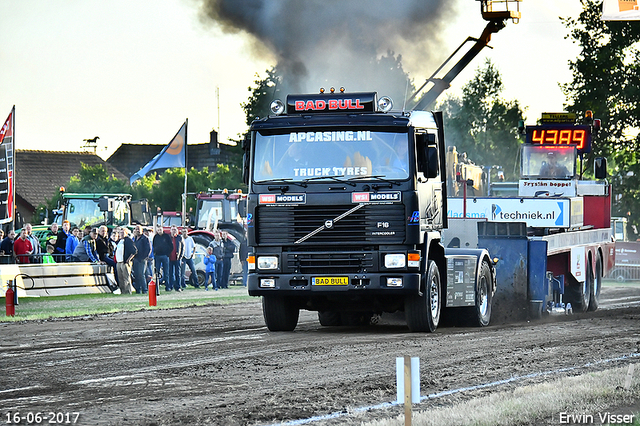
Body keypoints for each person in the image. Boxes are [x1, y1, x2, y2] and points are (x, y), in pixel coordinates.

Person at [115, 227, 137, 294]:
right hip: (119, 261)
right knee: (120, 278)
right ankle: (123, 291)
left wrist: (128, 259)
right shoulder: (119, 241)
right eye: (120, 233)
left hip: (125, 262)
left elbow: (134, 251)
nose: (121, 234)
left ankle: (128, 291)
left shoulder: (128, 240)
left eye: (123, 233)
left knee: (126, 277)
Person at [152, 225, 172, 291]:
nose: (159, 231)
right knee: (157, 272)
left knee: (166, 272)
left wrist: (167, 254)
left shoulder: (166, 236)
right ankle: (157, 287)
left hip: (165, 256)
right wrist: (155, 252)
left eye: (160, 229)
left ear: (162, 229)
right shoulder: (155, 237)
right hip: (157, 256)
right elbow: (154, 245)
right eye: (158, 230)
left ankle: (167, 286)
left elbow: (171, 246)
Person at [132, 225, 150, 294]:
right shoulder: (135, 238)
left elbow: (148, 249)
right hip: (135, 259)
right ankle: (138, 289)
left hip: (142, 259)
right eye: (136, 229)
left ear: (141, 230)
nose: (137, 231)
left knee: (141, 274)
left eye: (138, 229)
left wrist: (144, 257)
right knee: (136, 274)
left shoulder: (145, 238)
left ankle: (144, 289)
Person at [168, 225, 184, 291]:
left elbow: (183, 248)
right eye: (172, 229)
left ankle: (178, 287)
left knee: (178, 273)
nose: (174, 231)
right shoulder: (168, 238)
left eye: (175, 229)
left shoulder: (179, 238)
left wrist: (180, 257)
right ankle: (170, 286)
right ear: (170, 230)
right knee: (170, 273)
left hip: (177, 258)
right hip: (169, 258)